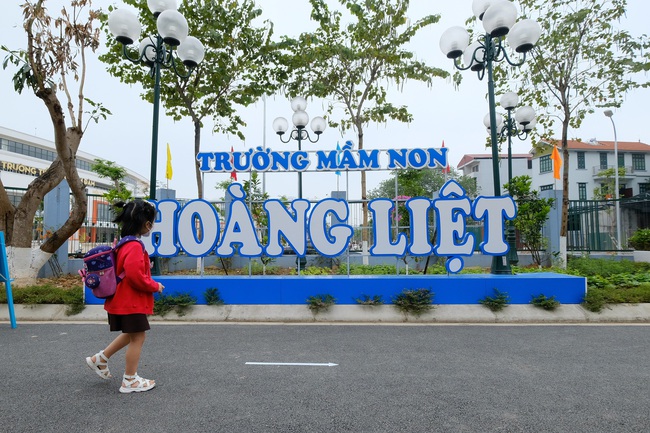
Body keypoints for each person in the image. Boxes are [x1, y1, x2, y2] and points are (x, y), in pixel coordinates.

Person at [85, 199, 164, 393]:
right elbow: (135, 276)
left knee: (131, 334)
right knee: (138, 338)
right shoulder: (135, 246)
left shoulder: (123, 244)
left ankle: (100, 359)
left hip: (121, 300)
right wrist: (155, 285)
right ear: (147, 224)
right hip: (131, 302)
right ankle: (130, 380)